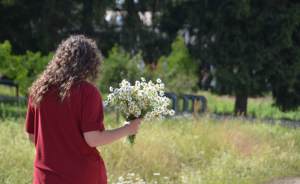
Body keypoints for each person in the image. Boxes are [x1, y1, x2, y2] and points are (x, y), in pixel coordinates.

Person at [25, 35, 141, 184]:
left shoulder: (39, 91)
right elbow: (93, 139)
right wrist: (128, 129)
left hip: (45, 177)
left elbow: (32, 136)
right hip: (82, 177)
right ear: (90, 64)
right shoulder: (87, 92)